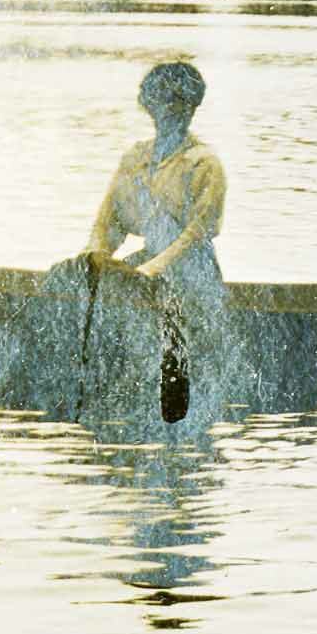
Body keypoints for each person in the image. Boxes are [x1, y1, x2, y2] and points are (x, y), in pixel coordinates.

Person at [84, 61, 235, 392]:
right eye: (160, 100)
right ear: (148, 104)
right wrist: (96, 256)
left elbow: (197, 233)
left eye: (178, 101)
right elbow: (110, 218)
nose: (168, 110)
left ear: (191, 107)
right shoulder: (135, 157)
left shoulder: (203, 162)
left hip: (192, 273)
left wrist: (148, 272)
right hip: (146, 266)